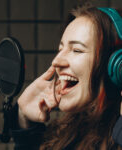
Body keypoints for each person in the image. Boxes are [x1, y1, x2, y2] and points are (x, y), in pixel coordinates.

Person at [11, 4, 122, 150]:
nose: (56, 61)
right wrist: (25, 121)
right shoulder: (67, 133)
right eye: (60, 49)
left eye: (76, 50)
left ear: (116, 64)